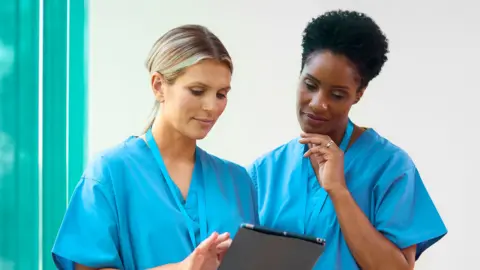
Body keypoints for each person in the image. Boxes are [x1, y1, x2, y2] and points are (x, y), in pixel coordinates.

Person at [247, 10, 447, 270]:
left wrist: (339, 192)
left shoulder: (391, 168)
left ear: (359, 93)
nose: (318, 104)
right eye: (310, 84)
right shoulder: (264, 172)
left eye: (338, 94)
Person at [52, 25, 258, 270]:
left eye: (221, 94)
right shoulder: (110, 172)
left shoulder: (238, 181)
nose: (211, 107)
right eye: (198, 91)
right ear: (159, 86)